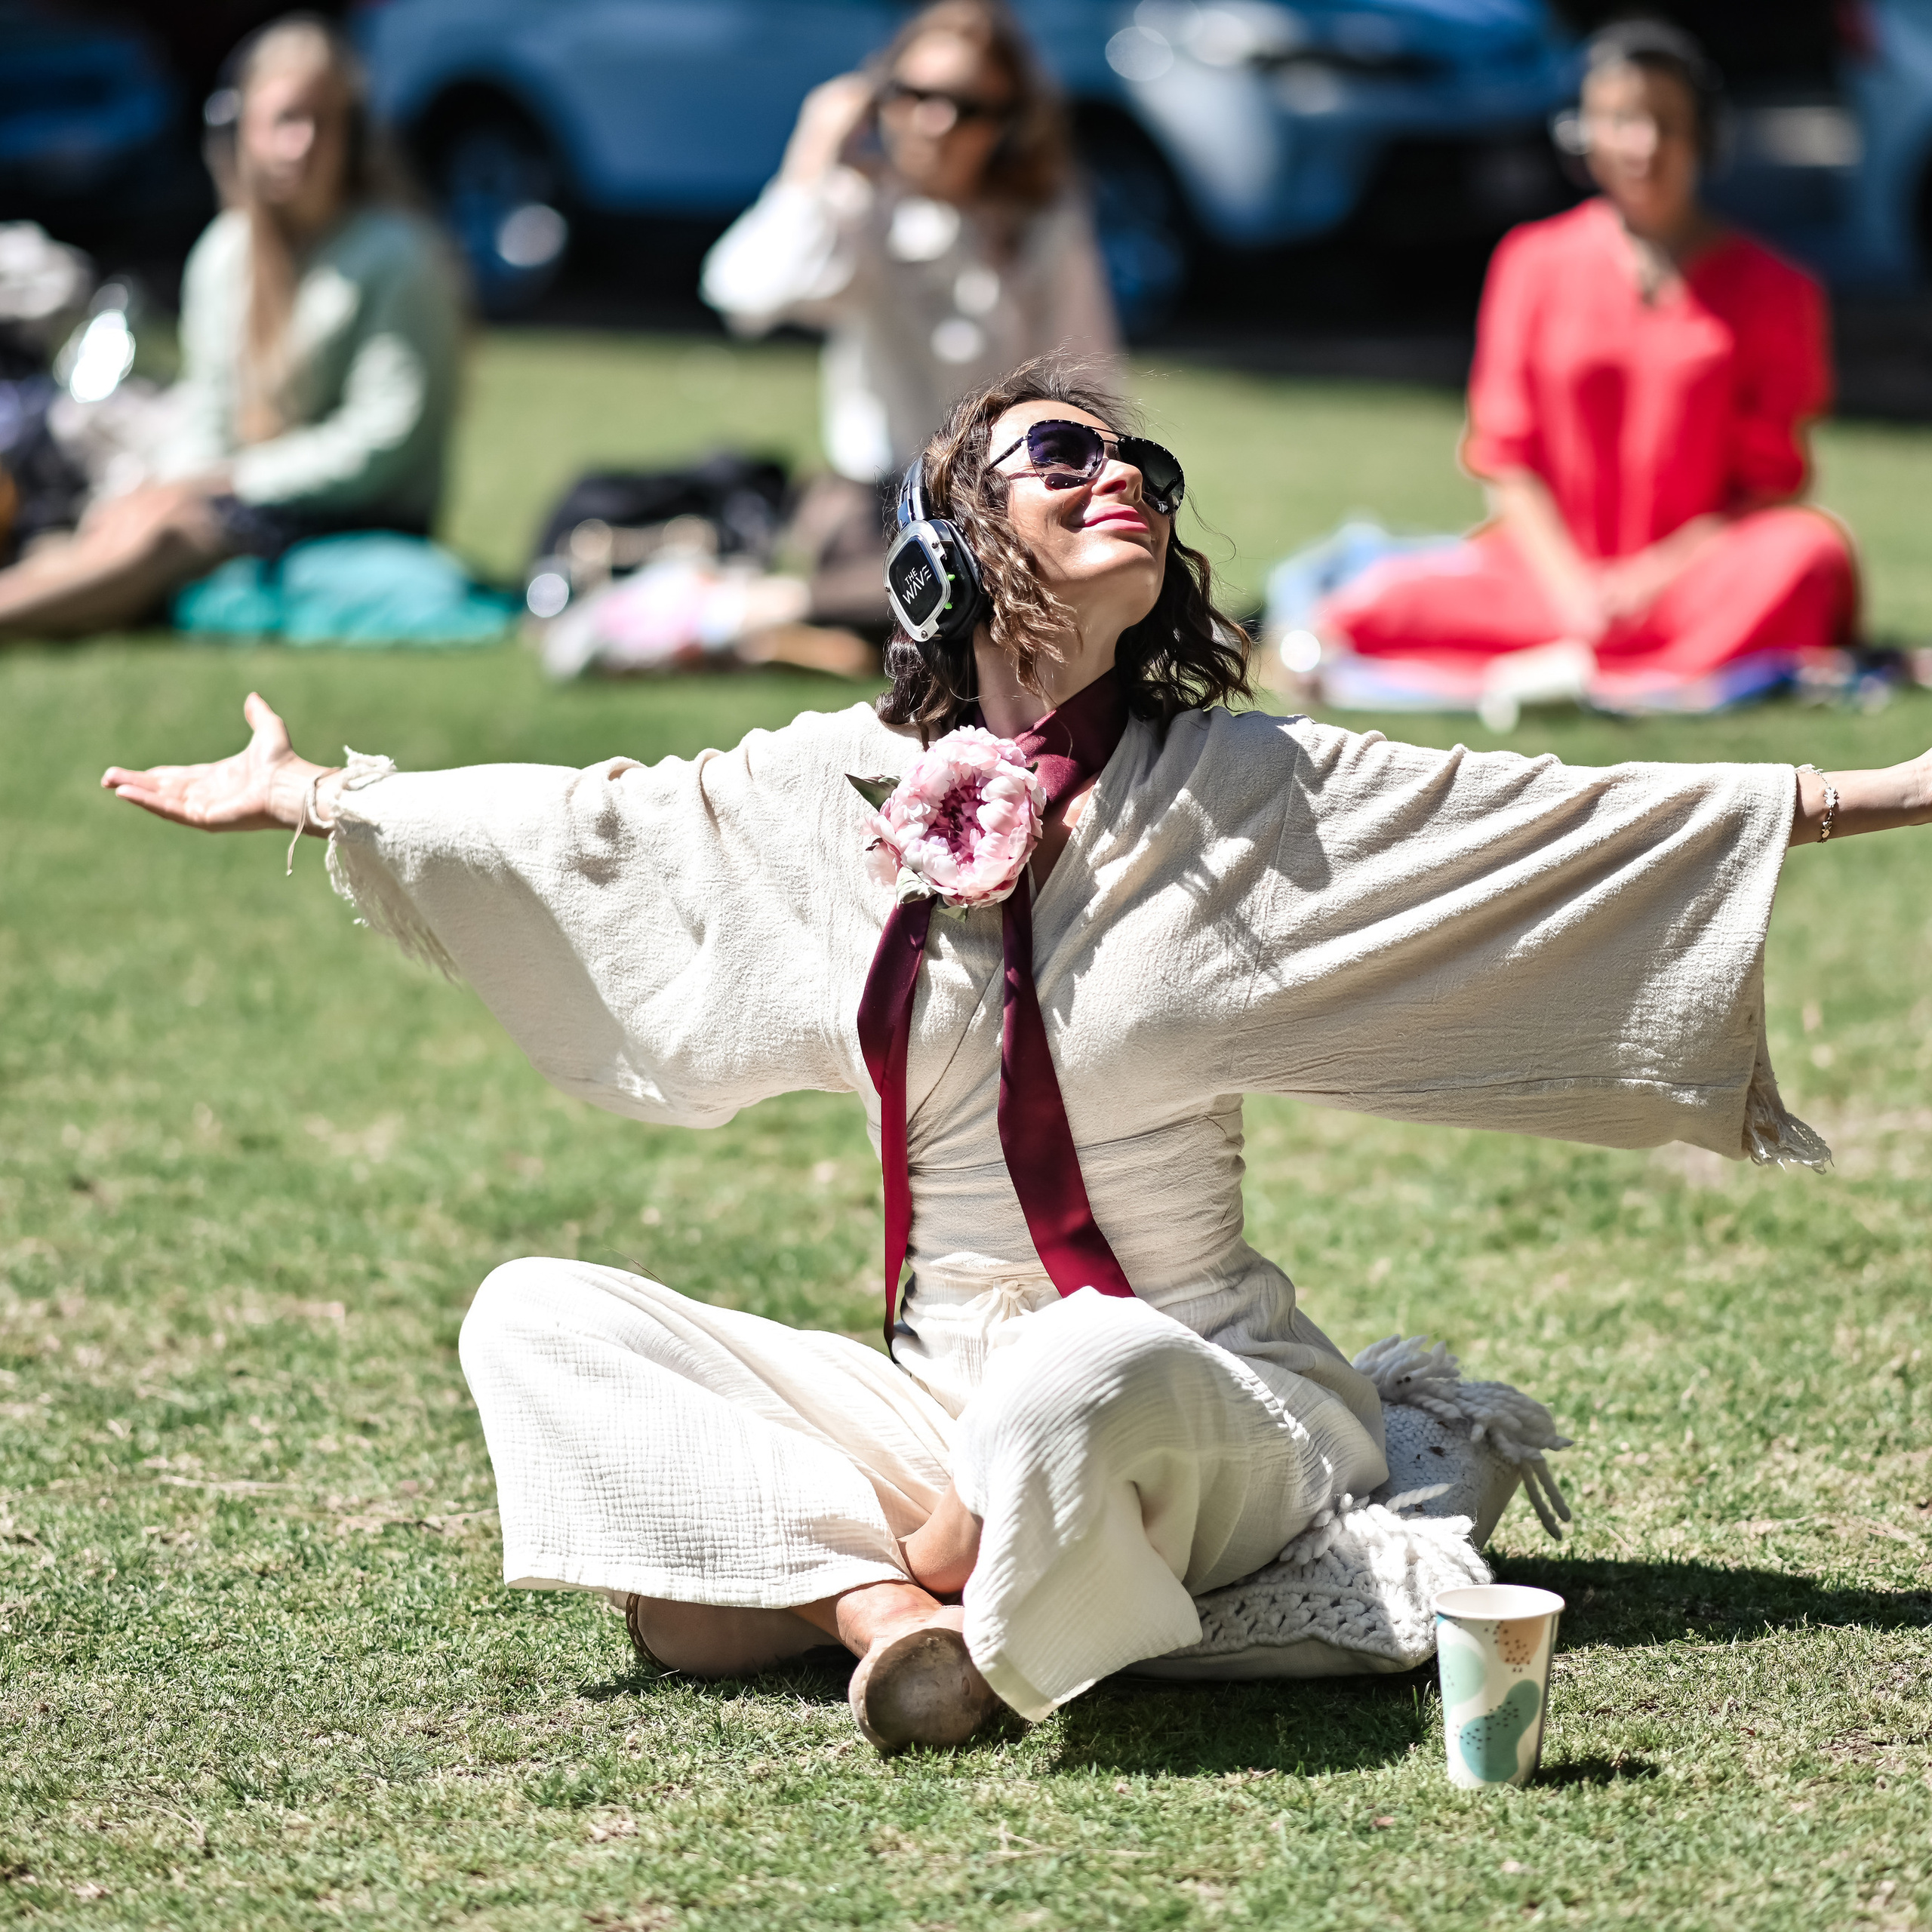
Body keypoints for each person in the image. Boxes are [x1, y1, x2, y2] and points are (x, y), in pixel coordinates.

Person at [101, 359, 1929, 1753]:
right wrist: (321, 791)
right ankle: (889, 1605)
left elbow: (1560, 820)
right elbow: (594, 826)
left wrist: (1897, 786)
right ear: (944, 545)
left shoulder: (1254, 790)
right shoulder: (833, 793)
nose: (1115, 470)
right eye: (1055, 455)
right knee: (533, 1313)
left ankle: (871, 1571)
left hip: (1196, 1387)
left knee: (1067, 1372)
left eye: (1135, 459)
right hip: (934, 1396)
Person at [1301, 19, 1857, 718]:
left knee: (1810, 556)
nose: (1645, 147)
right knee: (1387, 593)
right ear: (1581, 133)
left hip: (1696, 577)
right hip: (1541, 573)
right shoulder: (1530, 262)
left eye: (1667, 123)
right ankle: (1645, 664)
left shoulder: (1780, 289)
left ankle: (1601, 657)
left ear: (1704, 137)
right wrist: (1573, 590)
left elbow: (1768, 487)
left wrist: (1649, 580)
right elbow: (1508, 461)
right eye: (1622, 121)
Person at [0, 15, 461, 641]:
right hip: (240, 492)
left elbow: (383, 444)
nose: (297, 146)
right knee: (127, 514)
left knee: (161, 537)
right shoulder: (226, 254)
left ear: (351, 137)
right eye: (282, 122)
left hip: (352, 509)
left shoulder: (398, 256)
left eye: (318, 124)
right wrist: (171, 481)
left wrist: (231, 481)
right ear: (240, 131)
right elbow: (211, 415)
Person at [700, 0, 1120, 634]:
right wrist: (813, 155)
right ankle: (791, 612)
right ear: (881, 99)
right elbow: (745, 292)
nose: (935, 123)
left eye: (970, 107)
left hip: (1000, 495)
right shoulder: (864, 205)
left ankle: (787, 613)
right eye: (913, 94)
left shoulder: (1041, 221)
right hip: (882, 498)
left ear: (1008, 123)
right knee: (966, 590)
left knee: (1024, 575)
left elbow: (1090, 376)